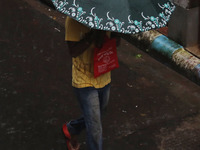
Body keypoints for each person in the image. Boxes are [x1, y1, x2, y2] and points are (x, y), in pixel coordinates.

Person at [62, 16, 120, 150]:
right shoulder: (73, 21)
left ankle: (72, 128)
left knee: (99, 114)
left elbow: (117, 43)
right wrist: (93, 35)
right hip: (84, 80)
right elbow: (73, 51)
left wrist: (115, 31)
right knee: (95, 128)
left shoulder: (109, 16)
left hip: (104, 75)